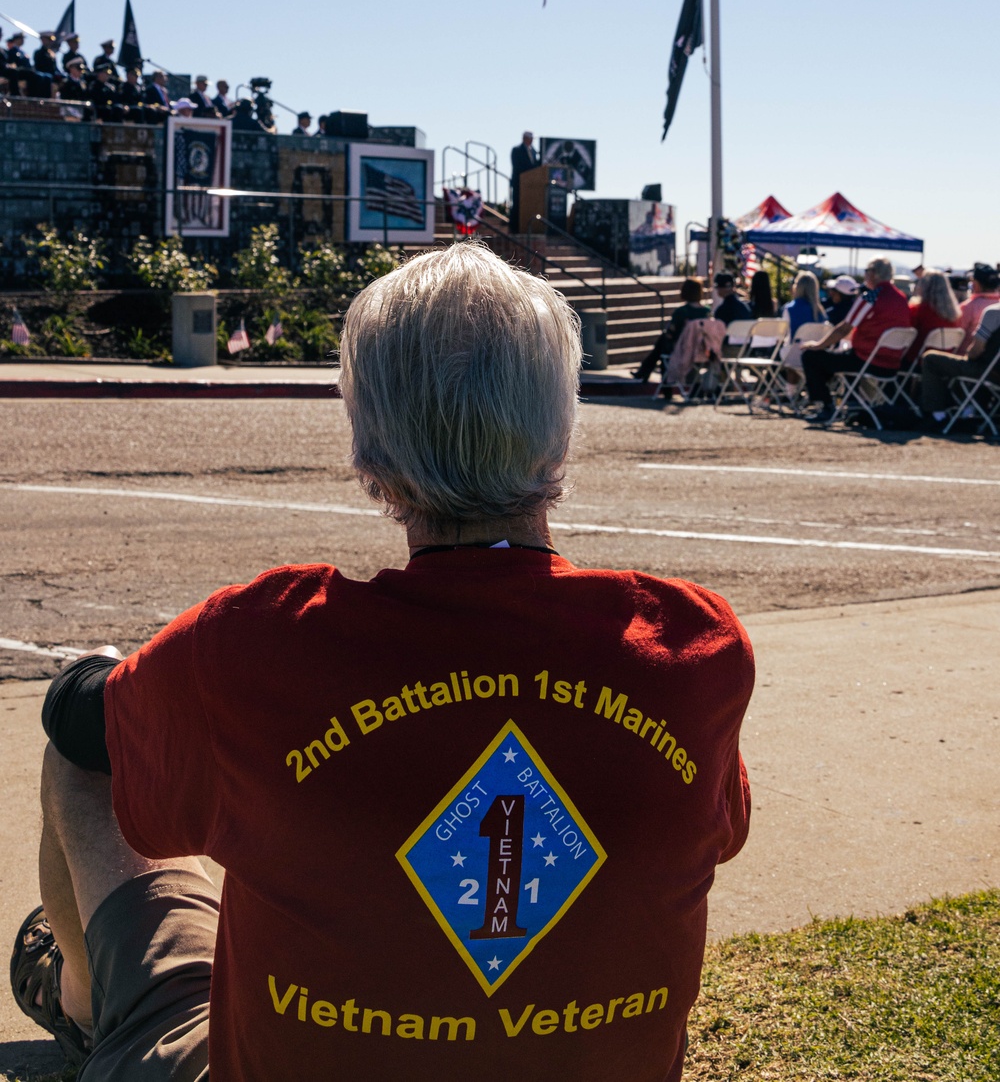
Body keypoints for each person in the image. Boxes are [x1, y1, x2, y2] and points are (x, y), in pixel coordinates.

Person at [15, 242, 753, 1082]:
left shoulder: (261, 646)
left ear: (367, 445)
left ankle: (83, 1010)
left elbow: (77, 717)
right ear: (562, 430)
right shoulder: (694, 649)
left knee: (85, 765)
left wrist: (100, 675)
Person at [799, 256, 912, 425]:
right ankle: (850, 403)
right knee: (837, 358)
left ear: (873, 274)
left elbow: (845, 327)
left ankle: (825, 406)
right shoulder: (901, 298)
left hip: (867, 360)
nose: (864, 275)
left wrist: (818, 345)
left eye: (866, 271)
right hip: (892, 364)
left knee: (811, 356)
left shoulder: (871, 296)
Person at [920, 303, 1000, 422]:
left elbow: (976, 351)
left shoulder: (994, 312)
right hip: (993, 375)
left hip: (988, 372)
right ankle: (968, 408)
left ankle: (937, 415)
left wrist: (968, 354)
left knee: (930, 359)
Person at [635, 276, 710, 382]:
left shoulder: (681, 312)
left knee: (663, 344)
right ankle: (645, 371)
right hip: (702, 348)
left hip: (684, 348)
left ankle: (652, 375)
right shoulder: (706, 312)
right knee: (663, 342)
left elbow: (672, 332)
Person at [904, 271, 961, 364]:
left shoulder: (918, 310)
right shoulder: (954, 314)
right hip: (944, 362)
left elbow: (905, 331)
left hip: (918, 361)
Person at [956, 263, 1000, 354]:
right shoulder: (997, 306)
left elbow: (955, 335)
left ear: (975, 284)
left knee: (930, 358)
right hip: (992, 361)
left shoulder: (968, 307)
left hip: (968, 357)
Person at [781, 271, 826, 338]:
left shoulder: (789, 308)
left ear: (797, 287)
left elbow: (783, 333)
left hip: (794, 347)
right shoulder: (820, 311)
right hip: (815, 347)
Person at [509, 130, 538, 232]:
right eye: (529, 138)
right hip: (519, 183)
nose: (531, 141)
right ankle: (515, 228)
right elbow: (518, 166)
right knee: (517, 205)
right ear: (525, 138)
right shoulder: (516, 150)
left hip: (531, 185)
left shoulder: (534, 152)